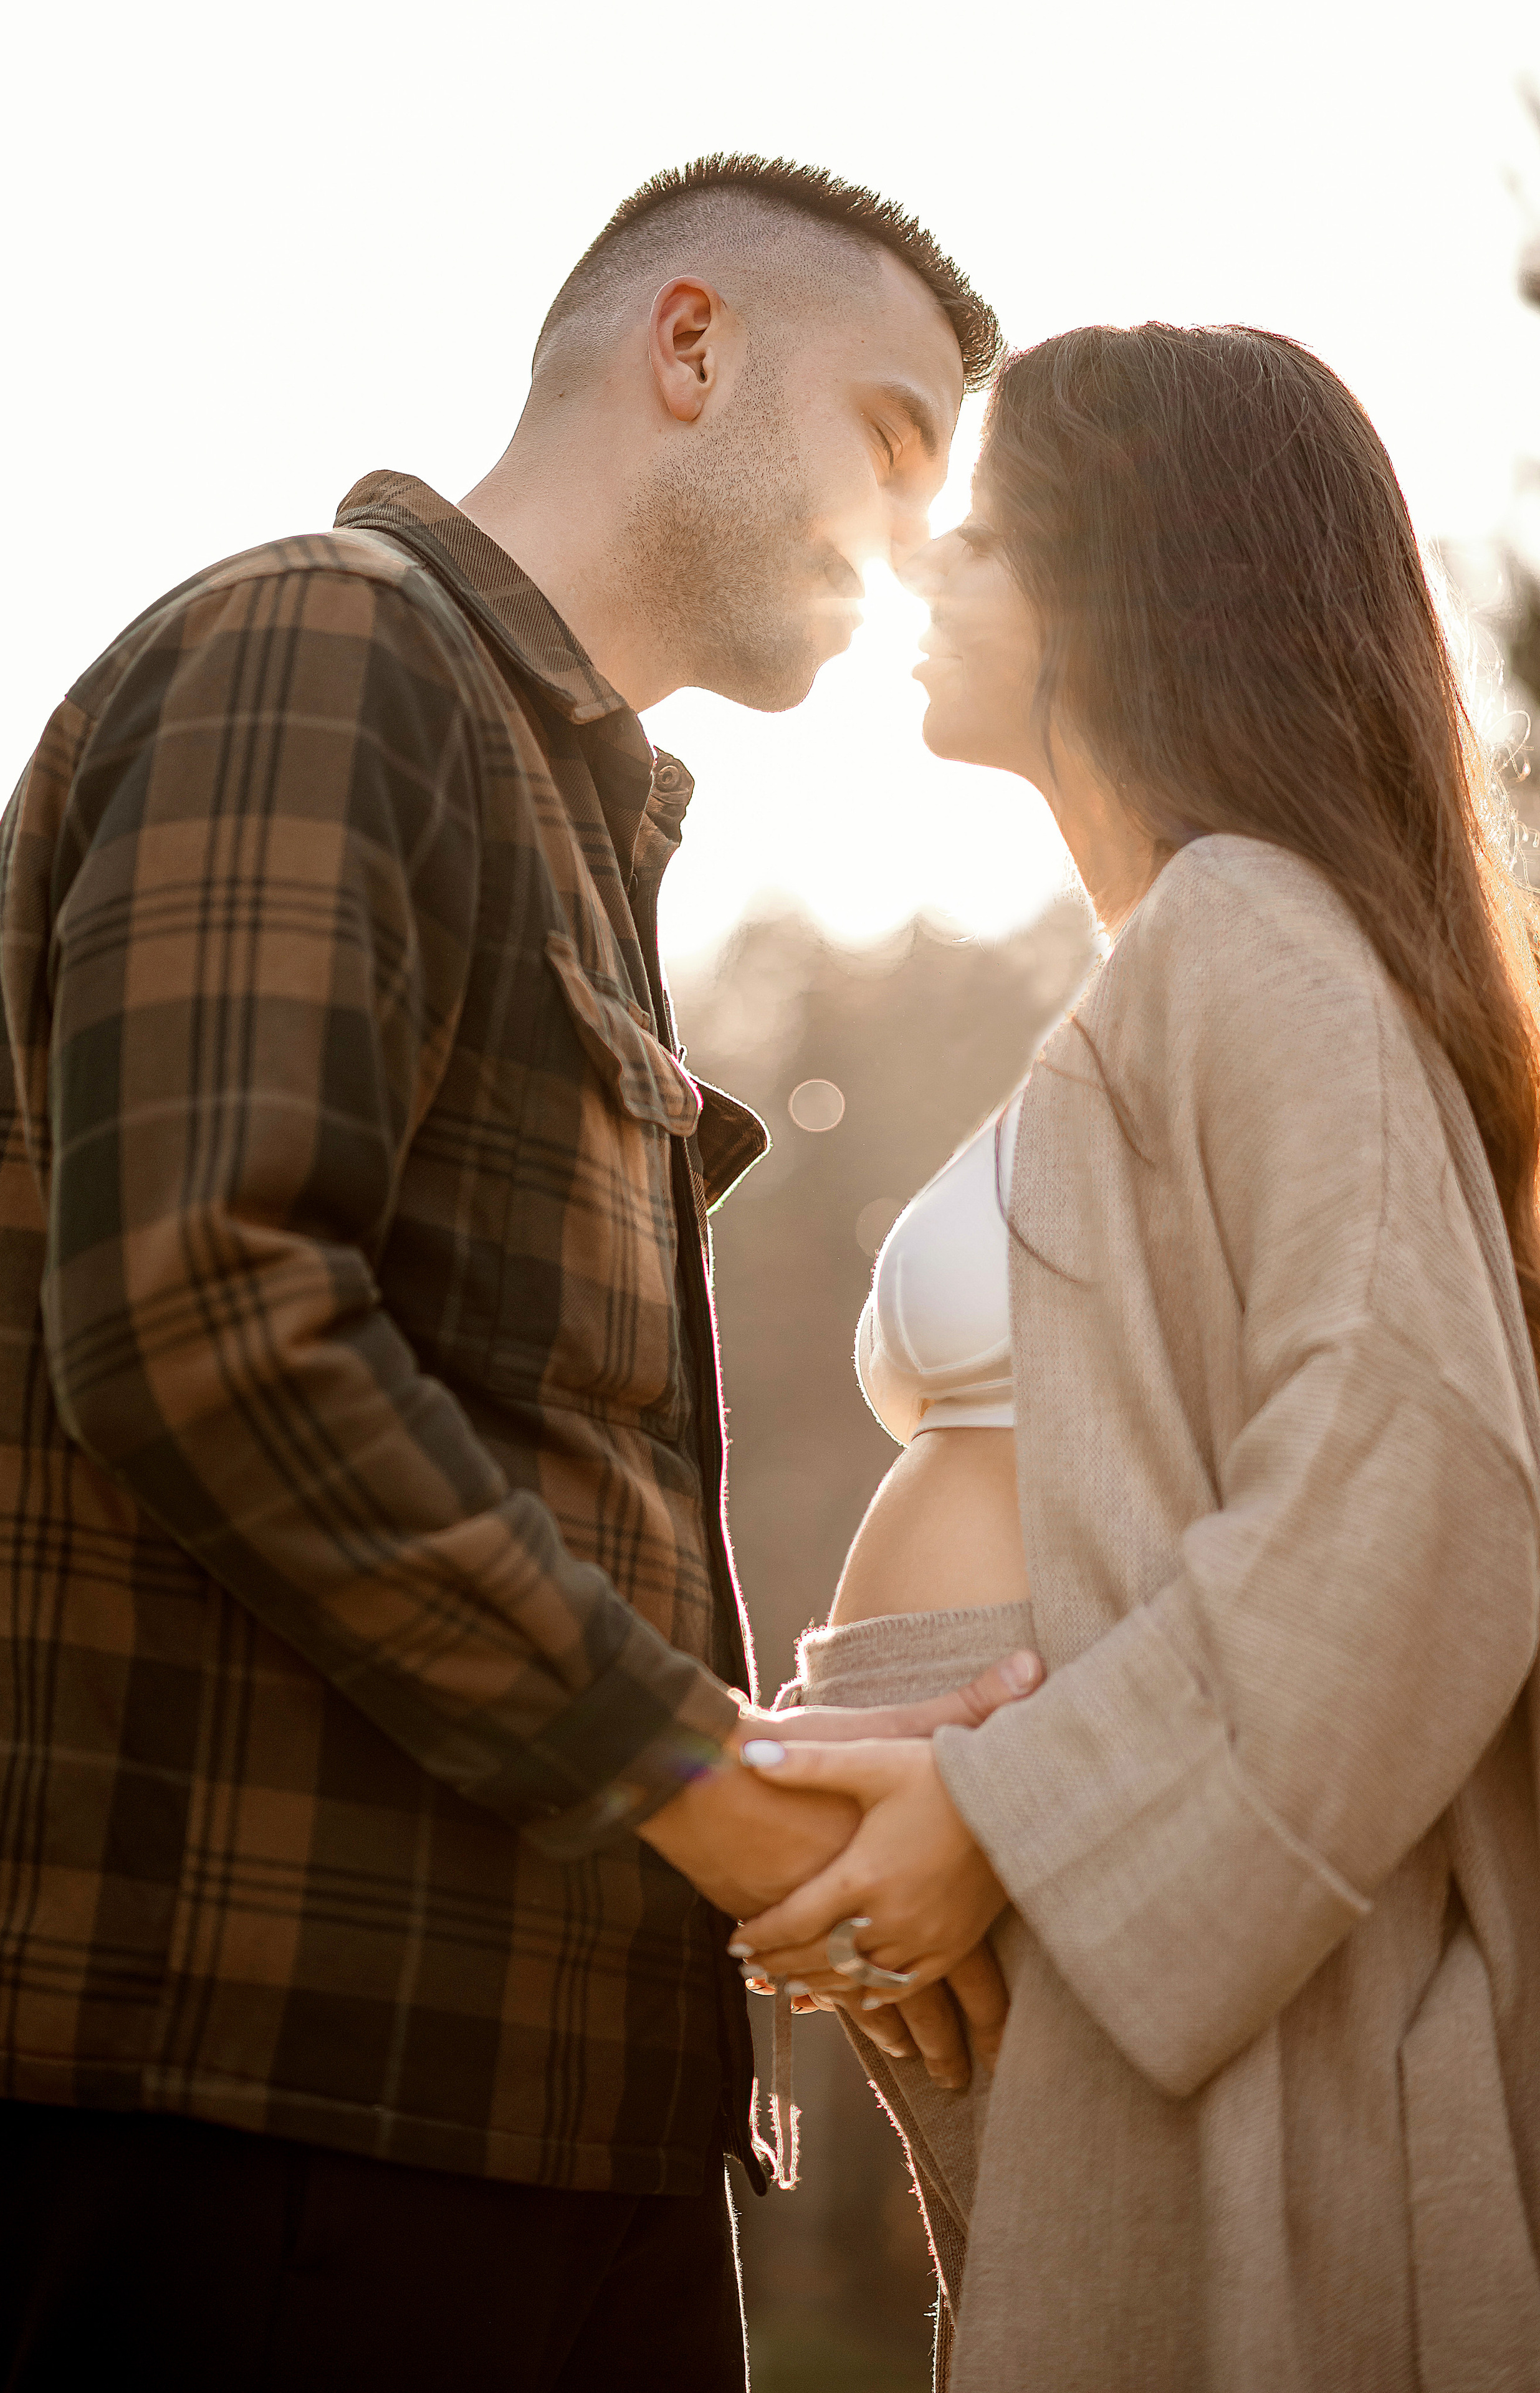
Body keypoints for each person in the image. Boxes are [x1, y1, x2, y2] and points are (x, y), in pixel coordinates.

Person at [0, 155, 1038, 2391]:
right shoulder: (324, 649)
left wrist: (793, 1739)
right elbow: (208, 1317)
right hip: (287, 2107)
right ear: (692, 346)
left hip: (545, 2109)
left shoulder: (556, 801)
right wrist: (714, 1795)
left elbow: (506, 1453)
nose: (921, 538)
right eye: (898, 439)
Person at [732, 324, 1540, 2391]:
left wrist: (1007, 1810)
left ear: (1136, 585)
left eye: (985, 536)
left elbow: (1425, 1474)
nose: (926, 572)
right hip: (1075, 1920)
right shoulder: (1167, 961)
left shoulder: (1253, 937)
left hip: (1153, 1913)